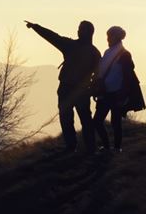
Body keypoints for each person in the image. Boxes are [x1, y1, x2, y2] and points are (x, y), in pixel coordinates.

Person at [25, 20, 100, 154]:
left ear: (87, 32)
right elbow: (99, 75)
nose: (78, 31)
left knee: (69, 119)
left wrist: (36, 27)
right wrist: (93, 90)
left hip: (68, 88)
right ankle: (89, 148)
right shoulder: (94, 52)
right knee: (84, 119)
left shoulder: (71, 45)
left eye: (80, 29)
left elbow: (53, 37)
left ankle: (72, 146)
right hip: (81, 91)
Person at [93, 25, 145, 152]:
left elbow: (127, 75)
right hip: (108, 92)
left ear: (115, 37)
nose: (108, 39)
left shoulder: (123, 54)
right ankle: (112, 147)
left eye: (109, 36)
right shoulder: (113, 53)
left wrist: (124, 93)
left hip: (116, 93)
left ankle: (113, 147)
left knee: (110, 121)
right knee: (105, 121)